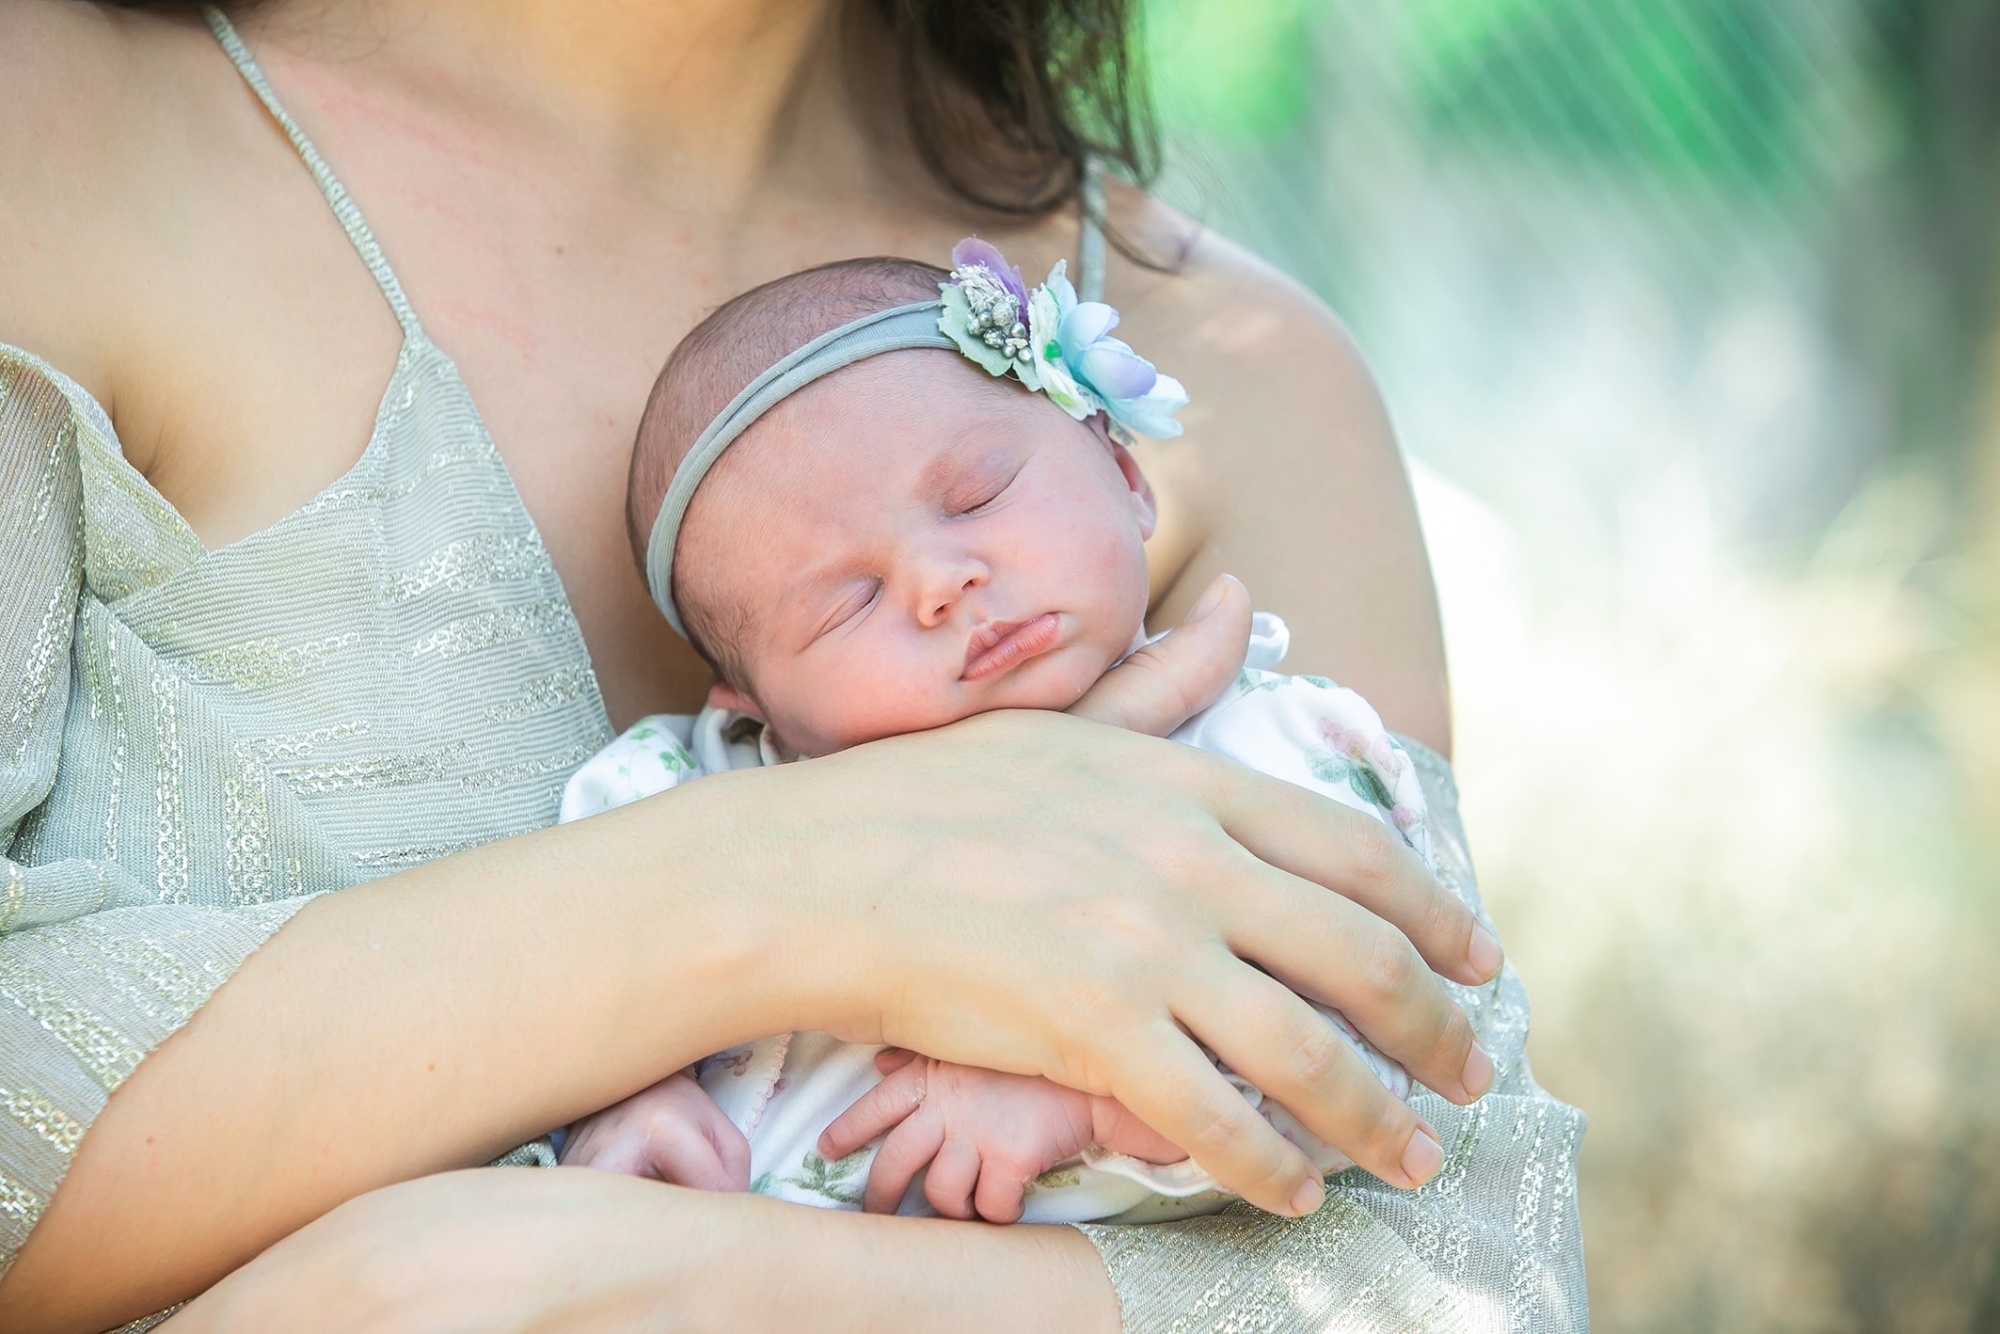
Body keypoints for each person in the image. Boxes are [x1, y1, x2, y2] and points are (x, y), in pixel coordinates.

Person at [0, 2, 1585, 1331]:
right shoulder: (63, 136)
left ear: (1111, 457)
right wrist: (802, 885)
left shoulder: (1242, 365)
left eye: (979, 495)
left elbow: (1451, 1245)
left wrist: (552, 1280)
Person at [554, 250, 1426, 1226]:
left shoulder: (1273, 751)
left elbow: (1374, 1045)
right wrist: (627, 1093)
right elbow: (583, 948)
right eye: (846, 602)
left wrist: (1089, 1088)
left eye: (976, 494)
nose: (940, 580)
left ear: (1128, 476)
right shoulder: (704, 786)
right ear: (751, 701)